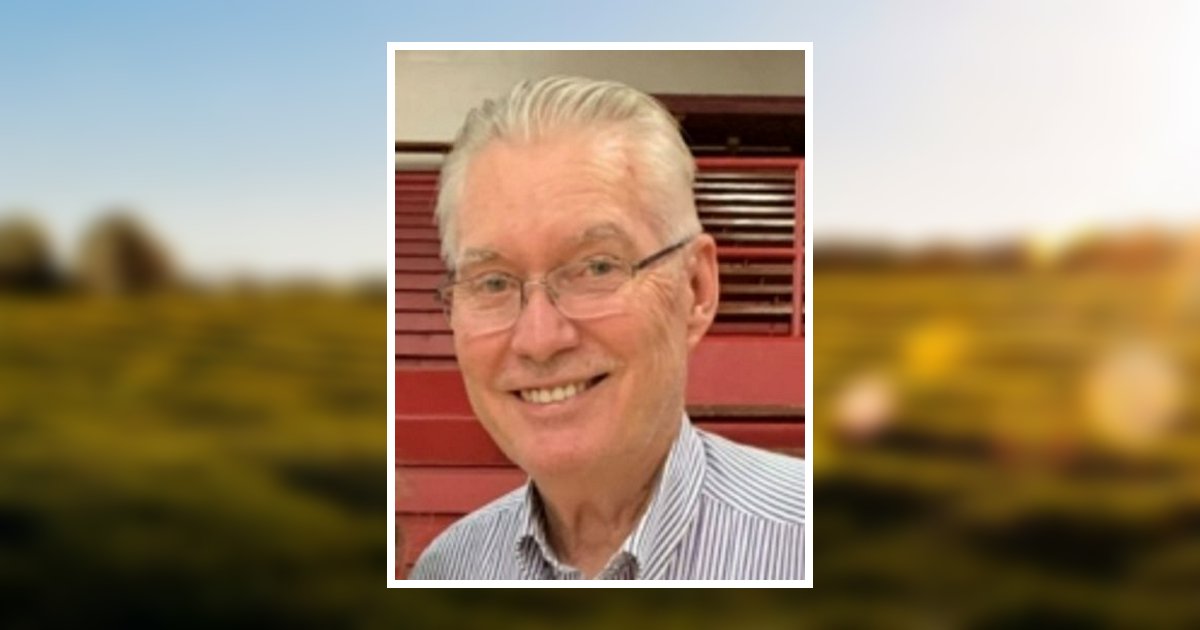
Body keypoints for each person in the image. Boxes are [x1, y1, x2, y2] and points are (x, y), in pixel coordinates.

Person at [409, 76, 805, 580]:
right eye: (493, 282)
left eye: (597, 268)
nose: (539, 339)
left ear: (696, 288)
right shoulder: (448, 570)